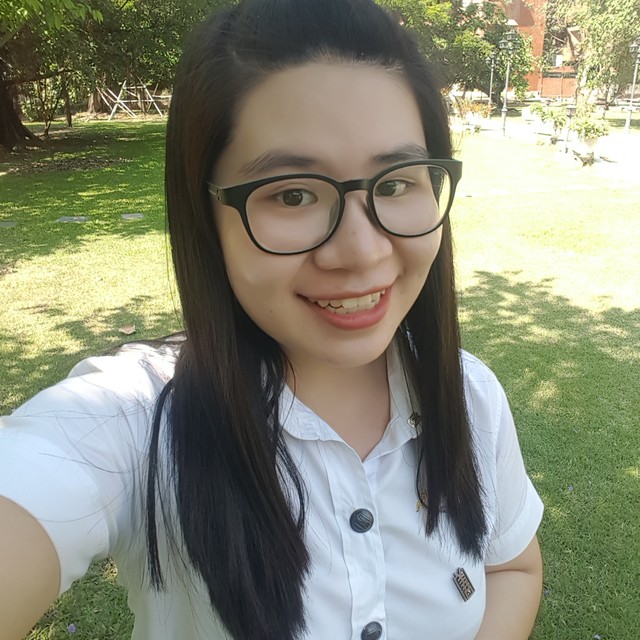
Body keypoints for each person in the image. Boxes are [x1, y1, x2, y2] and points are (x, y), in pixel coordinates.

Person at [0, 0, 544, 639]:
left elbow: (512, 566)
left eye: (396, 183)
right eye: (293, 194)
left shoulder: (470, 396)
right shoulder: (138, 423)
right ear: (206, 216)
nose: (363, 252)